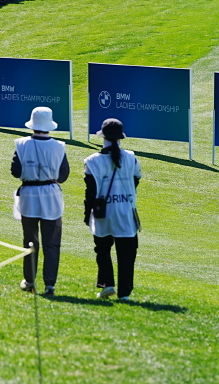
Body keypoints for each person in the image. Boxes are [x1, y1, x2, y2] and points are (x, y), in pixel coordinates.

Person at [10, 107, 68, 296]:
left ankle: (29, 280)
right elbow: (63, 174)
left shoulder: (21, 144)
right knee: (52, 242)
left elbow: (16, 172)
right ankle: (50, 284)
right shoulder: (59, 146)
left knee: (30, 241)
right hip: (51, 195)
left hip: (29, 195)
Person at [83, 118, 142, 301]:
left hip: (103, 213)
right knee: (127, 254)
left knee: (102, 250)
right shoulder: (131, 157)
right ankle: (124, 293)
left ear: (103, 137)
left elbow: (90, 192)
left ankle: (107, 285)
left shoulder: (91, 161)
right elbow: (136, 180)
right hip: (125, 211)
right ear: (120, 137)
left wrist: (87, 215)